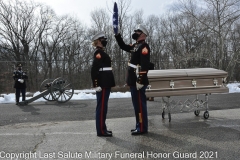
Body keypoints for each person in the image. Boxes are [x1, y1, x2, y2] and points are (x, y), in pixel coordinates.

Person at [114, 24, 150, 135]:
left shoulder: (144, 47)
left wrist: (140, 81)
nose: (135, 33)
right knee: (136, 105)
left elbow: (145, 65)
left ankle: (142, 128)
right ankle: (138, 125)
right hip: (133, 81)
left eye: (137, 31)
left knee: (139, 105)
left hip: (138, 81)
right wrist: (117, 35)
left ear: (143, 34)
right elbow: (123, 46)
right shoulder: (136, 46)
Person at [91, 31, 115, 137]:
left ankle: (103, 128)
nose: (105, 41)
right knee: (101, 108)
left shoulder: (101, 52)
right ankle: (101, 130)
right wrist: (96, 84)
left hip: (106, 83)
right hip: (103, 84)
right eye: (103, 39)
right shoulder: (98, 53)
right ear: (98, 41)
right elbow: (94, 70)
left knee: (103, 107)